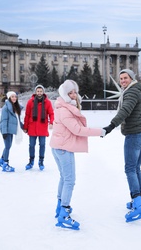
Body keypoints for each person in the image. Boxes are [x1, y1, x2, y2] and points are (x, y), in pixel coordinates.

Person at [49, 79, 106, 230]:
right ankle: (64, 213)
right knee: (69, 180)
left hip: (59, 146)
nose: (74, 95)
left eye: (75, 92)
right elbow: (78, 130)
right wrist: (100, 131)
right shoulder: (64, 110)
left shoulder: (65, 106)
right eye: (70, 93)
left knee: (64, 178)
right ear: (64, 94)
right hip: (63, 148)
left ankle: (60, 207)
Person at [103, 69, 141, 222]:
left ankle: (137, 206)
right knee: (136, 169)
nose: (123, 81)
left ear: (132, 78)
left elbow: (125, 111)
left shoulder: (131, 92)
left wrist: (111, 126)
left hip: (135, 135)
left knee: (130, 169)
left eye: (126, 78)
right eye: (121, 78)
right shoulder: (137, 91)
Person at [23, 84, 54, 171]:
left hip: (42, 127)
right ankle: (31, 161)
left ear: (43, 92)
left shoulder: (47, 102)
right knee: (31, 145)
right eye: (38, 91)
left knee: (42, 145)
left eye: (41, 91)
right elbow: (27, 115)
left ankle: (41, 161)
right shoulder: (30, 102)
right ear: (35, 92)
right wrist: (25, 127)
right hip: (32, 127)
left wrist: (51, 122)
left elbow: (51, 113)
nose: (39, 93)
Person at [0, 91, 23, 172]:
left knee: (8, 146)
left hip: (10, 129)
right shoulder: (6, 108)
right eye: (12, 97)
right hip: (6, 129)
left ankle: (1, 160)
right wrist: (4, 132)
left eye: (15, 96)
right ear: (9, 98)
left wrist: (24, 127)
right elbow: (4, 120)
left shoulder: (15, 107)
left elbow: (18, 121)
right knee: (7, 146)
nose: (14, 98)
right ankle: (5, 164)